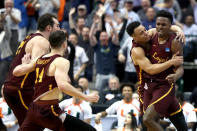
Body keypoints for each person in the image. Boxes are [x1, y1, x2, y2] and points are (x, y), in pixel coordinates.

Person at [13, 30, 99, 131]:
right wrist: (86, 97)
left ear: (49, 44)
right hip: (48, 110)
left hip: (34, 109)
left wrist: (24, 65)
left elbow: (16, 72)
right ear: (64, 44)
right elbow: (62, 86)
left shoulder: (39, 59)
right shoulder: (61, 61)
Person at [127, 10, 187, 131]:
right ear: (135, 37)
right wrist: (170, 62)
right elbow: (150, 69)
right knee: (150, 125)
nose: (146, 33)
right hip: (146, 86)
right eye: (141, 33)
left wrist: (179, 30)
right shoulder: (136, 50)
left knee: (148, 120)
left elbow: (180, 67)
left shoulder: (168, 39)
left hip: (164, 84)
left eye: (145, 29)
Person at [3, 13, 60, 126]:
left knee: (27, 124)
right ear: (49, 28)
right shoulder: (42, 41)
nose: (59, 28)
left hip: (12, 87)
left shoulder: (30, 37)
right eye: (57, 26)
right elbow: (37, 66)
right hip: (21, 88)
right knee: (36, 123)